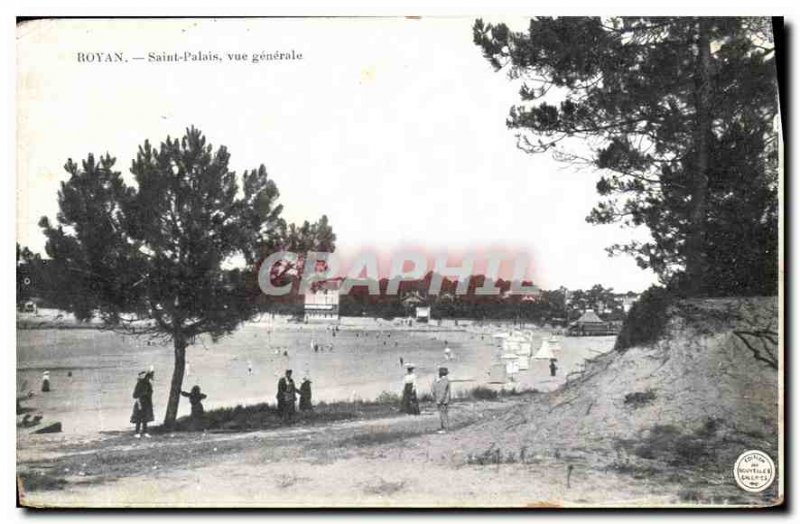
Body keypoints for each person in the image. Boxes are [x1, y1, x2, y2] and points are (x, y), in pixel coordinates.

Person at [131, 369, 155, 438]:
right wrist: (139, 404)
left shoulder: (148, 384)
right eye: (142, 375)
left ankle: (145, 432)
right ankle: (137, 432)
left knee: (145, 418)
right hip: (140, 402)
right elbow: (135, 395)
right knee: (138, 418)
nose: (144, 377)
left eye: (144, 375)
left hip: (147, 402)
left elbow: (149, 393)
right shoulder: (139, 384)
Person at [432, 367, 451, 433]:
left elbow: (442, 392)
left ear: (440, 373)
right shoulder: (444, 380)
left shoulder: (444, 380)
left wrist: (439, 400)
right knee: (443, 414)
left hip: (443, 400)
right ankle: (443, 427)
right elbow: (434, 389)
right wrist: (435, 381)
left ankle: (445, 429)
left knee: (443, 414)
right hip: (443, 400)